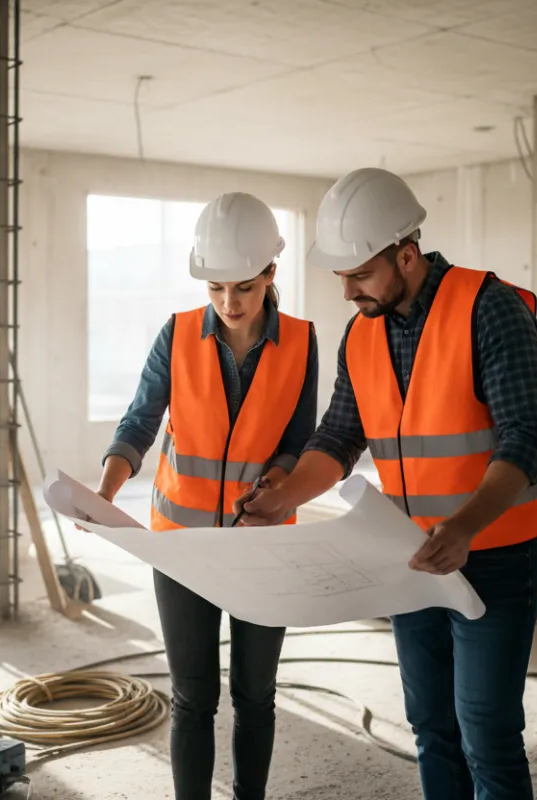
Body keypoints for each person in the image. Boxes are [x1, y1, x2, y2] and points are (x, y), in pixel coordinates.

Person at [234, 167, 537, 800]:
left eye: (360, 274)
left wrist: (463, 526)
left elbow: (526, 439)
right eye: (341, 277)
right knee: (432, 725)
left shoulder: (490, 309)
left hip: (492, 551)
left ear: (407, 255)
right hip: (410, 556)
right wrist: (282, 498)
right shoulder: (363, 333)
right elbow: (338, 438)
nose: (348, 291)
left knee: (486, 728)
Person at [94, 191, 319, 800]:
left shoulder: (302, 341)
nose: (228, 303)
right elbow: (139, 421)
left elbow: (301, 437)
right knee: (193, 697)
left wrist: (281, 474)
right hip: (182, 546)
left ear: (271, 273)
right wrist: (107, 491)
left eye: (242, 288)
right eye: (216, 288)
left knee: (255, 695)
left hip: (261, 546)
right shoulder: (177, 334)